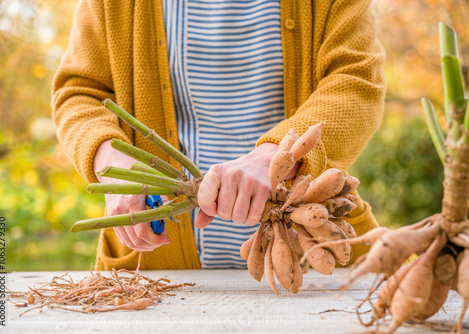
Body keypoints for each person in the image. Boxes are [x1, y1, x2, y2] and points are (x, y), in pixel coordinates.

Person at [52, 0, 386, 270]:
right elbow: (80, 92)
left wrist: (275, 157)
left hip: (318, 249)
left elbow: (356, 79)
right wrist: (113, 162)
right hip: (153, 265)